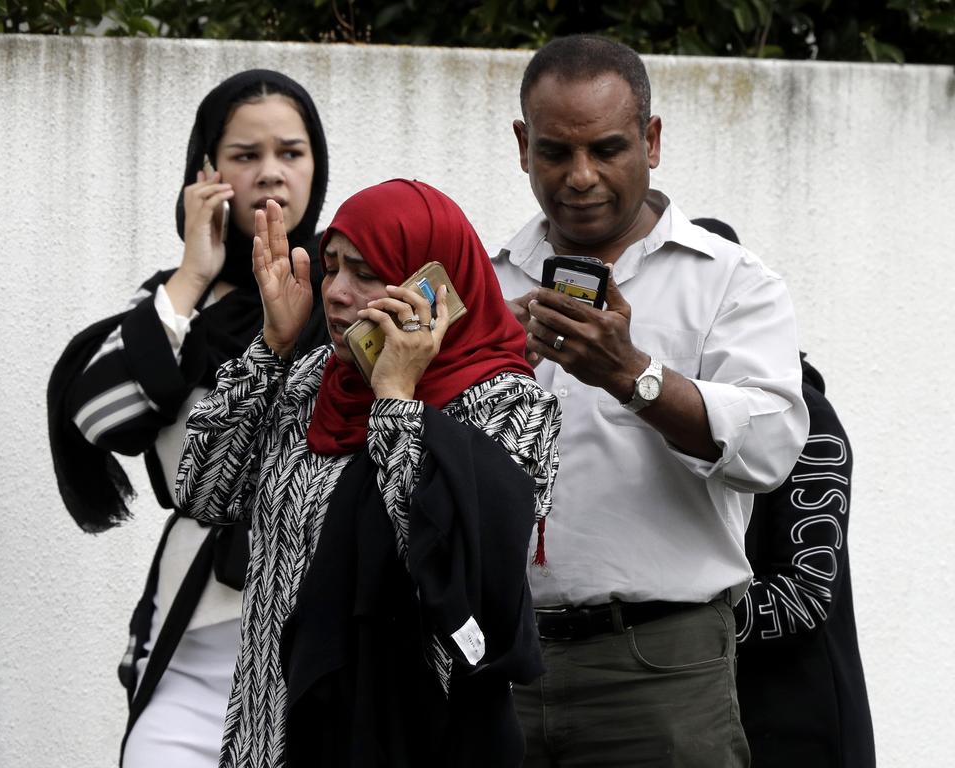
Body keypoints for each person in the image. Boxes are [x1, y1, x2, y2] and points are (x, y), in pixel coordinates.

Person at [490, 35, 810, 766]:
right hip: (498, 661)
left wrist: (633, 375)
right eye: (554, 153)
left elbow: (770, 447)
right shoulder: (484, 282)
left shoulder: (729, 280)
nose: (580, 177)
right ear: (521, 144)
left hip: (661, 667)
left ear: (652, 139)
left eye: (607, 149)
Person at [176, 179, 561, 768]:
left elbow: (459, 571)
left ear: (431, 285)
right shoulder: (314, 380)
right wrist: (273, 347)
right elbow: (203, 490)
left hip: (404, 737)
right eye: (330, 268)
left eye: (365, 272)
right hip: (272, 733)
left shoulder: (509, 403)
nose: (336, 293)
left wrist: (397, 401)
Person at [46, 70, 330, 767]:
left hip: (322, 638)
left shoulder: (349, 291)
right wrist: (192, 273)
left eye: (291, 153)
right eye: (245, 155)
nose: (270, 174)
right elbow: (99, 414)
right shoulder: (177, 309)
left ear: (317, 167)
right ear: (207, 171)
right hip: (193, 646)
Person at [692, 214, 876, 767]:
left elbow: (807, 592)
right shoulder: (680, 412)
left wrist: (669, 628)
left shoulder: (807, 418)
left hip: (801, 723)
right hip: (714, 712)